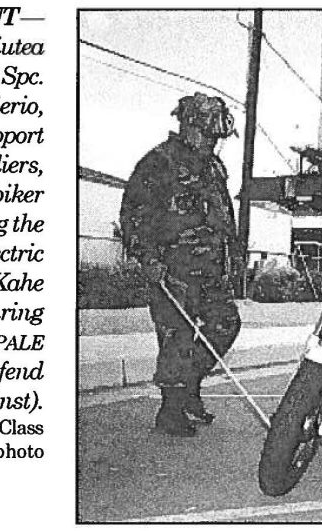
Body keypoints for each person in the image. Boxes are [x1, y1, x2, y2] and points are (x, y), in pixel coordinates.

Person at [119, 92, 243, 437]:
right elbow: (133, 215)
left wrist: (231, 257)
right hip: (173, 271)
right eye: (207, 135)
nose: (212, 143)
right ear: (188, 126)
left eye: (217, 139)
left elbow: (223, 216)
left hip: (211, 271)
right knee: (178, 338)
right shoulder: (159, 162)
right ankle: (171, 411)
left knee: (226, 324)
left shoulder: (214, 167)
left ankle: (188, 387)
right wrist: (148, 260)